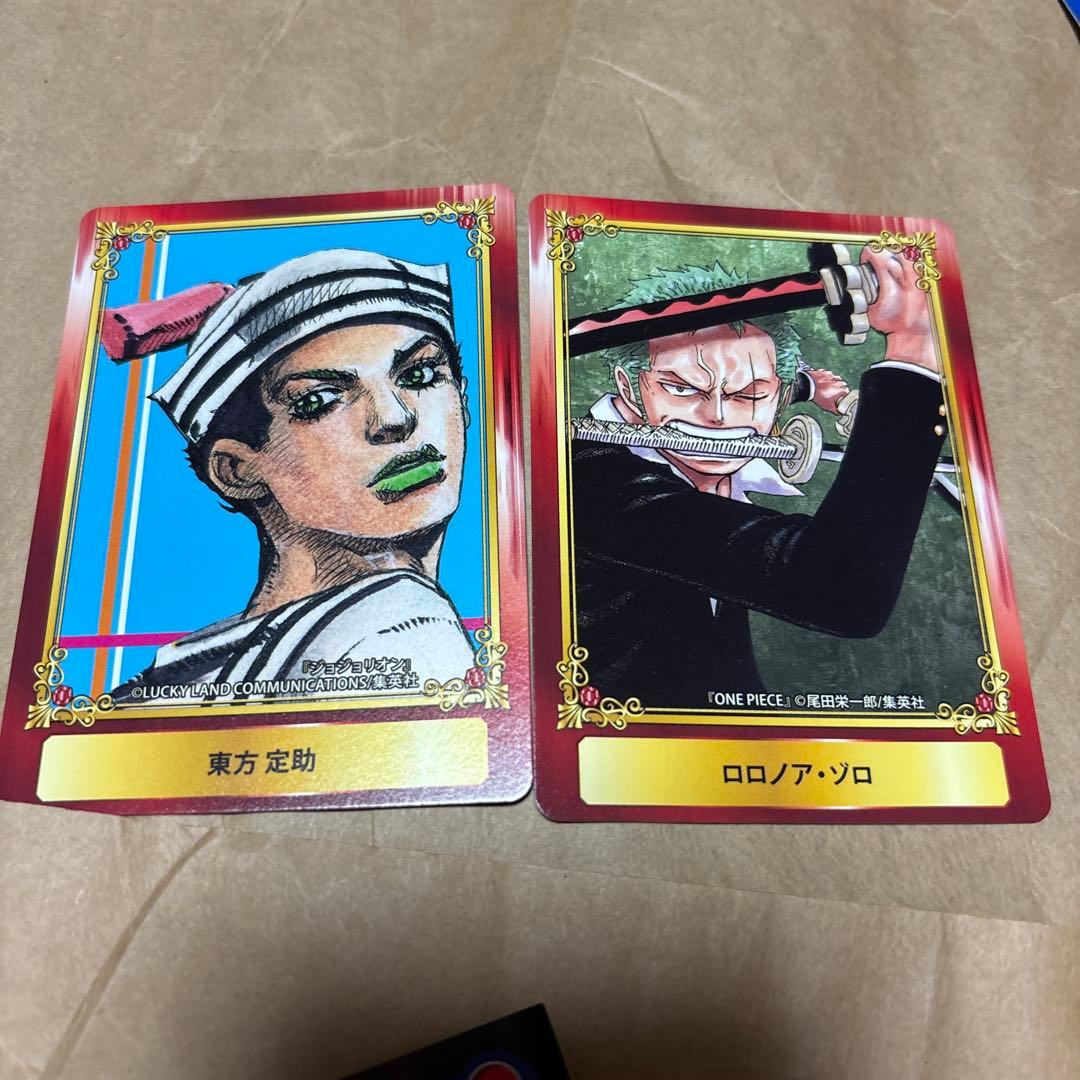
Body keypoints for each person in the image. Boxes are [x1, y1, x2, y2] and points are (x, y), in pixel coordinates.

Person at [572, 245, 945, 707]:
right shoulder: (593, 483)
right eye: (680, 389)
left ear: (780, 398)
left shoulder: (713, 479)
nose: (717, 417)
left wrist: (823, 395)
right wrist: (913, 352)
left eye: (749, 395)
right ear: (629, 388)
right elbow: (843, 589)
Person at [108, 249, 475, 703]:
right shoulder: (403, 626)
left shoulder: (174, 678)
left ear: (462, 400)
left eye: (419, 374)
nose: (395, 419)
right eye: (318, 401)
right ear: (237, 469)